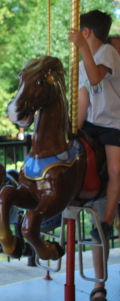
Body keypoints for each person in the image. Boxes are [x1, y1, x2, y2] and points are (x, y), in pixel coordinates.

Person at [68, 10, 120, 301]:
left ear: (87, 32)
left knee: (115, 170)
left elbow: (97, 76)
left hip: (113, 124)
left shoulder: (108, 53)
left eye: (80, 32)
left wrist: (83, 48)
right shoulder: (84, 58)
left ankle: (107, 219)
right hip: (91, 123)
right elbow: (83, 97)